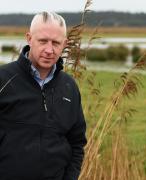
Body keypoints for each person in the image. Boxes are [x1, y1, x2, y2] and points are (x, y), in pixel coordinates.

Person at [0, 11, 87, 180]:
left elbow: (77, 143)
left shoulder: (69, 87)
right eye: (43, 41)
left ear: (65, 44)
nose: (49, 50)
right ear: (29, 38)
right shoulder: (3, 80)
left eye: (56, 43)